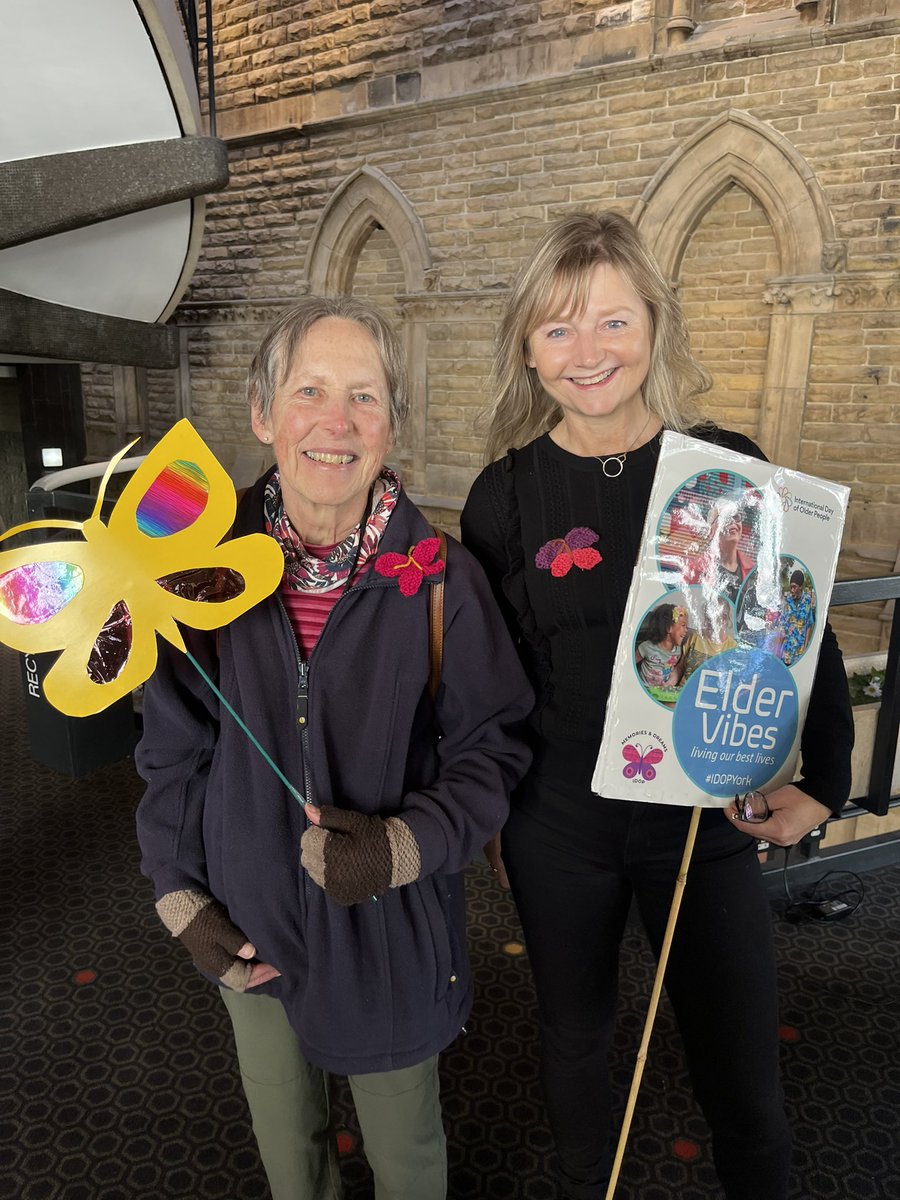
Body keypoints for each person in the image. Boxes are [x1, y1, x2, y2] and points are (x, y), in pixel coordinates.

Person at [460, 212, 853, 1200]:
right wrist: (494, 813)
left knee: (742, 1064)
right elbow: (494, 678)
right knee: (575, 1040)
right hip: (558, 821)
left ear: (653, 325)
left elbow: (793, 627)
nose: (587, 351)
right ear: (527, 349)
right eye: (557, 328)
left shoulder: (725, 467)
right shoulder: (503, 497)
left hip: (703, 820)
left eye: (612, 321)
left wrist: (826, 778)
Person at [135, 296, 533, 1200]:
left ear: (393, 423)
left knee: (406, 1157)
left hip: (389, 926)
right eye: (309, 391)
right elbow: (173, 750)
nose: (336, 422)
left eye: (364, 396)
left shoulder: (444, 580)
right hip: (248, 918)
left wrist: (406, 846)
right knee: (290, 1151)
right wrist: (178, 890)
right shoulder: (197, 573)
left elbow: (494, 748)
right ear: (263, 413)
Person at [635, 602, 688, 689]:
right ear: (668, 628)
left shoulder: (679, 651)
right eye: (683, 625)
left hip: (662, 692)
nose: (686, 630)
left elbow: (678, 669)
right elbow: (629, 663)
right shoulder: (647, 647)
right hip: (644, 689)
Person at [777, 568, 816, 666]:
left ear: (800, 587)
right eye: (791, 587)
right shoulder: (787, 602)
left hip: (799, 652)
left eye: (794, 587)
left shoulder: (807, 601)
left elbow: (809, 625)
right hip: (786, 652)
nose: (792, 590)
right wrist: (778, 650)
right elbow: (782, 627)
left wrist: (806, 647)